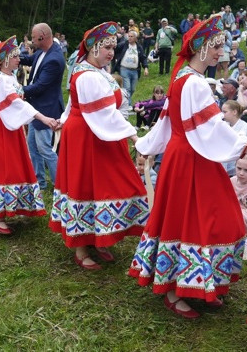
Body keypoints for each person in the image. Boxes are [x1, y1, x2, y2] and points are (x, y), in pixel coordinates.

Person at [128, 15, 247, 318]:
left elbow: (171, 122)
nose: (221, 52)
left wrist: (145, 146)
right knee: (191, 219)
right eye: (216, 47)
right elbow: (207, 127)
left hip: (192, 155)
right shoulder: (192, 82)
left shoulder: (183, 77)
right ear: (201, 47)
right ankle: (174, 288)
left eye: (221, 46)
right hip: (191, 157)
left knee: (207, 218)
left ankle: (196, 281)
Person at [51, 22, 150, 270]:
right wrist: (134, 136)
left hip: (103, 133)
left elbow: (76, 104)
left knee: (105, 184)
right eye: (107, 47)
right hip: (87, 136)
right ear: (94, 48)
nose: (111, 53)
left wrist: (63, 119)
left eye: (113, 48)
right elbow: (99, 110)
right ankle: (81, 246)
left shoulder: (100, 73)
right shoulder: (86, 75)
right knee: (85, 185)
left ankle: (99, 236)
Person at [0, 36, 57, 234]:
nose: (19, 59)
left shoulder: (9, 77)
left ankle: (12, 207)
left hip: (9, 127)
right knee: (2, 170)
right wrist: (41, 117)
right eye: (15, 57)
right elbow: (15, 102)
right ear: (5, 59)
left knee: (13, 167)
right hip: (0, 130)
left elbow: (15, 103)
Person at [19, 23, 65, 190]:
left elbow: (40, 86)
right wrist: (13, 56)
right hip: (36, 109)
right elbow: (30, 59)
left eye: (33, 37)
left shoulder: (54, 59)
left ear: (42, 37)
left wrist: (17, 91)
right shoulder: (43, 52)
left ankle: (60, 184)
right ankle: (40, 183)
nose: (31, 40)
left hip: (46, 109)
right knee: (33, 147)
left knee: (45, 149)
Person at [113, 30, 149, 102]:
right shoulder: (123, 44)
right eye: (128, 36)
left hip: (135, 70)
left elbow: (143, 58)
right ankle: (128, 105)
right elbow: (114, 49)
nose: (129, 38)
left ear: (136, 38)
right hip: (124, 69)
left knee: (132, 89)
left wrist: (146, 68)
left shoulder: (139, 47)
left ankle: (125, 100)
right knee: (127, 88)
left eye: (131, 36)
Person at [221, 100, 247, 175]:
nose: (222, 114)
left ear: (234, 112)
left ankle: (221, 175)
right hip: (228, 158)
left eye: (225, 112)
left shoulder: (244, 126)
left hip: (238, 159)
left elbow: (239, 143)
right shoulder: (224, 124)